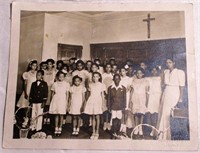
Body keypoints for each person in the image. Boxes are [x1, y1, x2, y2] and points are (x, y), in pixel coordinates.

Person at [158, 58, 185, 140]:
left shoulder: (179, 72)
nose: (168, 64)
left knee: (170, 113)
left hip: (174, 93)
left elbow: (182, 86)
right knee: (163, 112)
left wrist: (180, 98)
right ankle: (162, 135)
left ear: (174, 63)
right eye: (166, 62)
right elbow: (163, 83)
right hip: (166, 93)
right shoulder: (165, 72)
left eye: (170, 62)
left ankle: (170, 135)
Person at [82, 72, 105, 139]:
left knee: (97, 116)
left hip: (98, 100)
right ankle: (93, 132)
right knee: (92, 116)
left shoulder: (101, 85)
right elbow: (88, 94)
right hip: (92, 100)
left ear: (99, 77)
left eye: (96, 76)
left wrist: (103, 104)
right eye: (94, 76)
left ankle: (97, 132)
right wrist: (86, 102)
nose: (95, 78)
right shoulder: (90, 85)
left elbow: (102, 95)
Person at [129, 68, 149, 136]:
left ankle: (140, 128)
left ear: (143, 74)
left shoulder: (145, 81)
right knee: (136, 113)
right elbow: (131, 91)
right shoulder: (134, 81)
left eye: (140, 73)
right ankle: (136, 127)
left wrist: (147, 102)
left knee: (141, 113)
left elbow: (147, 92)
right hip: (135, 97)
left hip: (142, 98)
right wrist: (130, 101)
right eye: (137, 73)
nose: (138, 74)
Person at [49, 71, 70, 136]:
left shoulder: (66, 84)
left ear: (64, 77)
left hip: (63, 100)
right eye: (60, 76)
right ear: (58, 76)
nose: (61, 77)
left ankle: (60, 128)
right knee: (56, 114)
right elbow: (52, 94)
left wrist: (67, 102)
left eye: (62, 76)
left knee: (61, 115)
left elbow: (67, 94)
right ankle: (56, 128)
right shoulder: (55, 84)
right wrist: (51, 102)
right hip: (56, 100)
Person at [145, 66, 162, 137]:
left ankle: (154, 130)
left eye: (155, 70)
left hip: (157, 97)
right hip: (151, 97)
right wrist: (147, 99)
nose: (154, 72)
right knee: (149, 114)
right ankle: (151, 128)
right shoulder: (148, 79)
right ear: (151, 71)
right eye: (153, 70)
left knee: (155, 114)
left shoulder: (160, 78)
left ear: (157, 71)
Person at [119, 66, 132, 133]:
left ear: (126, 71)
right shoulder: (119, 78)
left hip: (126, 95)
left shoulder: (129, 79)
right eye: (121, 71)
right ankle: (121, 124)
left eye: (123, 71)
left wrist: (123, 93)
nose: (122, 72)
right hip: (120, 96)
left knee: (125, 110)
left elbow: (128, 88)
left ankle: (124, 125)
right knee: (121, 110)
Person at [43, 58, 56, 124]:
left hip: (52, 88)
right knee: (45, 103)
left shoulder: (54, 71)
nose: (49, 65)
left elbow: (55, 80)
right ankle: (45, 117)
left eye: (50, 64)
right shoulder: (44, 71)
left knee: (51, 103)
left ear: (52, 65)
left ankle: (50, 119)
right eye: (48, 64)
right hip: (45, 88)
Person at [102, 63, 113, 131]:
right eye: (107, 67)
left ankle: (108, 123)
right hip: (104, 93)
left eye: (109, 67)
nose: (108, 68)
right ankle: (104, 123)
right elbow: (102, 85)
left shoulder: (113, 75)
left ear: (111, 68)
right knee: (105, 110)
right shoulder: (103, 75)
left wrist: (111, 94)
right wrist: (105, 93)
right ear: (105, 68)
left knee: (110, 109)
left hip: (111, 95)